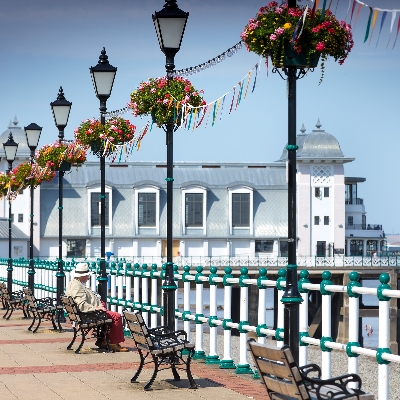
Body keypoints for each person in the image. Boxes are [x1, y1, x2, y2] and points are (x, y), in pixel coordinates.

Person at [65, 262, 128, 352]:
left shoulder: (74, 283)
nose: (88, 277)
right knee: (116, 316)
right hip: (87, 316)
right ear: (83, 276)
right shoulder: (77, 286)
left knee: (111, 316)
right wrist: (95, 308)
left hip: (82, 315)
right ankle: (113, 343)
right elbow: (81, 304)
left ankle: (104, 341)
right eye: (87, 275)